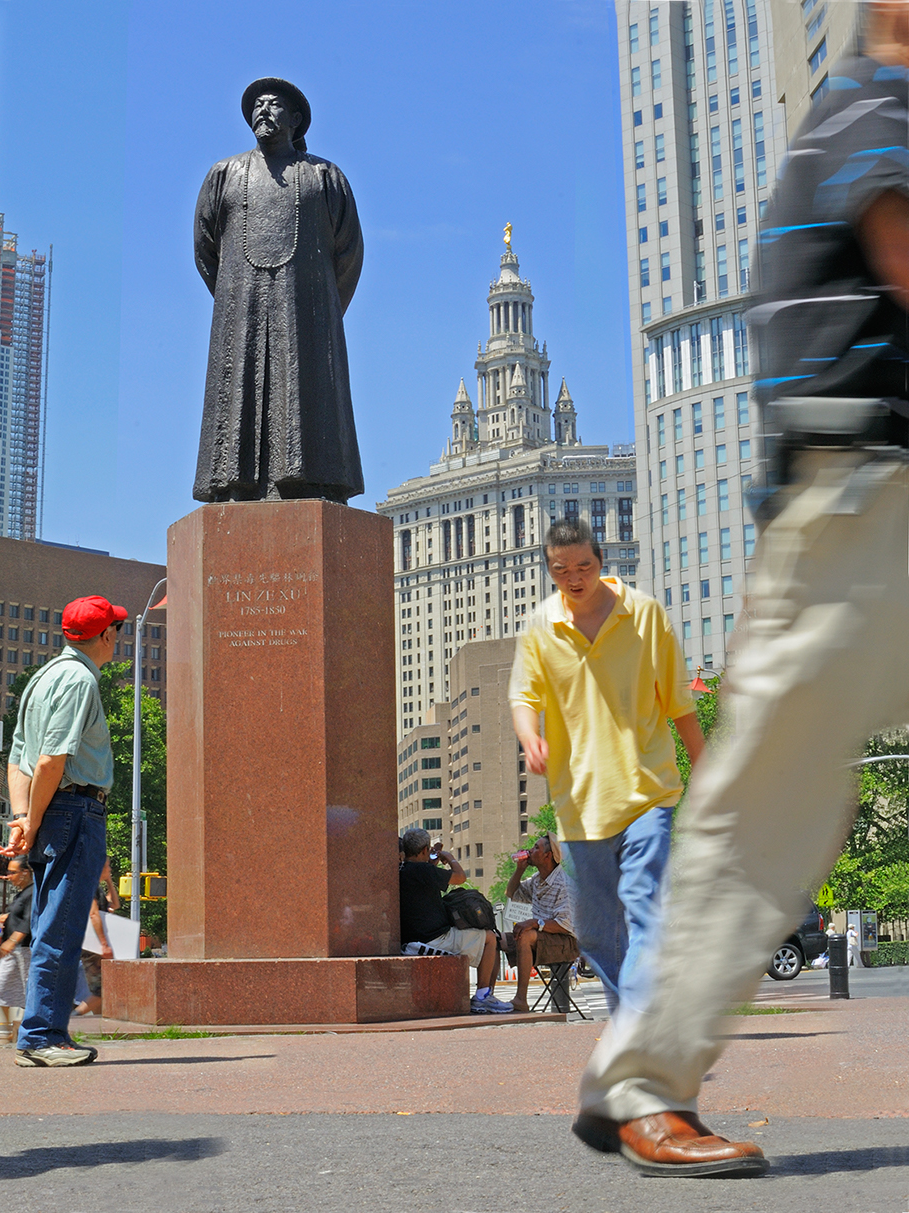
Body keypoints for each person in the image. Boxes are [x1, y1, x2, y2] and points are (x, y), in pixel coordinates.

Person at [573, 3, 909, 1177]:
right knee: (771, 801)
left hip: (871, 501)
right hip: (858, 503)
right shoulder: (873, 109)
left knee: (776, 798)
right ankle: (642, 1077)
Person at [510, 518, 704, 1018]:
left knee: (642, 905)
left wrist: (704, 766)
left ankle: (639, 1030)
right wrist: (530, 736)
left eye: (584, 566)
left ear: (601, 563)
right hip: (579, 805)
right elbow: (522, 697)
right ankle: (631, 1018)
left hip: (648, 790)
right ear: (550, 571)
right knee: (595, 932)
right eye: (561, 569)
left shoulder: (645, 615)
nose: (574, 577)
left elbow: (679, 701)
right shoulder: (541, 627)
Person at [193, 78, 364, 503]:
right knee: (238, 388)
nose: (263, 111)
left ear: (297, 119)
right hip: (241, 307)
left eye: (274, 104)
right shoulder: (223, 175)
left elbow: (349, 252)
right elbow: (205, 248)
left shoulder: (325, 177)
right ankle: (234, 483)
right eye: (257, 105)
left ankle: (313, 479)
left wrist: (321, 308)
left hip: (307, 313)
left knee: (307, 393)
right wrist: (235, 296)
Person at [0, 595, 126, 1067]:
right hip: (74, 807)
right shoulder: (78, 680)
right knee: (63, 925)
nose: (118, 637)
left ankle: (44, 1034)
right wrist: (31, 819)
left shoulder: (44, 677)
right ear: (106, 635)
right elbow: (51, 758)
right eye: (117, 629)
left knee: (55, 922)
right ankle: (42, 1038)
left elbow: (18, 756)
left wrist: (22, 818)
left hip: (53, 810)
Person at [398, 829, 511, 1014]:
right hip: (435, 938)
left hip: (412, 937)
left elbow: (424, 880)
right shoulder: (422, 870)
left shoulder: (403, 870)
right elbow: (460, 878)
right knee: (490, 937)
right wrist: (449, 858)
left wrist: (432, 862)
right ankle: (482, 996)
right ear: (425, 850)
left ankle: (484, 995)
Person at [502, 833, 579, 1014]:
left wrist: (534, 923)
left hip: (565, 942)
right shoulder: (537, 879)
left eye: (536, 847)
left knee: (526, 935)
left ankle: (521, 999)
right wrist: (519, 870)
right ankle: (485, 996)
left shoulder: (564, 884)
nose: (530, 850)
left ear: (548, 855)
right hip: (542, 937)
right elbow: (511, 893)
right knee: (494, 938)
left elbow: (563, 925)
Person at [0, 858, 33, 1036]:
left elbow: (29, 921)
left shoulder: (33, 893)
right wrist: (4, 917)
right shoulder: (21, 894)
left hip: (25, 948)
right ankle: (9, 1028)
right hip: (13, 951)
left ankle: (21, 1027)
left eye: (12, 872)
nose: (8, 876)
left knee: (29, 991)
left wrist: (13, 940)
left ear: (25, 873)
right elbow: (18, 915)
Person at [74, 857, 120, 1018]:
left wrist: (109, 881)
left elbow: (115, 904)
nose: (110, 870)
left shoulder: (96, 887)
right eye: (107, 867)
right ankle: (74, 1018)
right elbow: (93, 914)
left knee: (99, 990)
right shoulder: (89, 887)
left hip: (92, 945)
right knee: (102, 990)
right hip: (93, 946)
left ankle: (96, 1025)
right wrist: (104, 944)